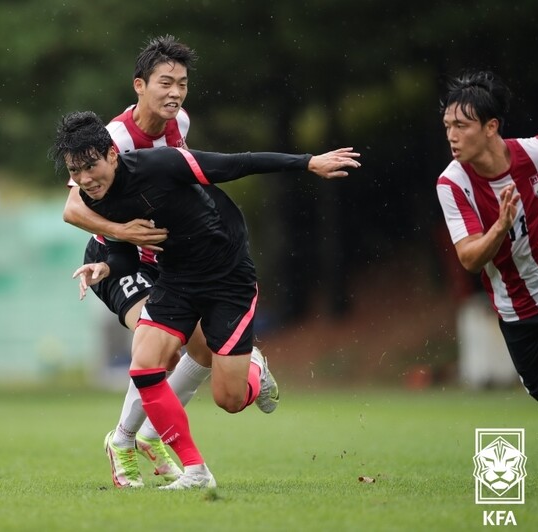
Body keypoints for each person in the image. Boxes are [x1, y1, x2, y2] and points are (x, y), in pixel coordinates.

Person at [52, 110, 360, 489]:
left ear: (112, 155)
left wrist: (307, 161)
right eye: (75, 170)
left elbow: (236, 164)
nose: (84, 179)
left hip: (227, 277)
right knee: (145, 366)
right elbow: (126, 251)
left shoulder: (162, 163)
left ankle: (254, 373)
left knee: (229, 399)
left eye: (90, 166)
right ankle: (196, 472)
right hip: (177, 279)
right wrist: (106, 268)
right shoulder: (94, 198)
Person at [63, 35, 273, 489]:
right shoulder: (114, 138)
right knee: (153, 347)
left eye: (181, 83)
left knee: (199, 351)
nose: (174, 92)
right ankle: (123, 441)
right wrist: (123, 233)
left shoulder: (181, 124)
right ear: (139, 85)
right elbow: (73, 209)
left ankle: (154, 432)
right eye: (165, 82)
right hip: (113, 255)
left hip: (161, 256)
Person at [436, 70, 538, 402]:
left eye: (461, 127)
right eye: (448, 127)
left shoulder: (534, 154)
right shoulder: (452, 183)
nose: (452, 136)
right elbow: (469, 258)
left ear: (491, 127)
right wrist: (500, 226)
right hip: (519, 312)